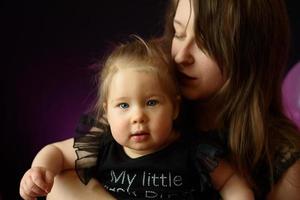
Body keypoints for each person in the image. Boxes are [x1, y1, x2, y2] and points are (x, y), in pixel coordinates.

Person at [23, 0, 300, 199]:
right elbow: (62, 176)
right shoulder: (139, 104)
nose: (181, 55)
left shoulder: (283, 160)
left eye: (206, 43)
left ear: (250, 55)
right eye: (179, 33)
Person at [19, 37, 254, 200]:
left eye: (152, 102)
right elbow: (57, 152)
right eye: (123, 105)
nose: (138, 116)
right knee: (61, 182)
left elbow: (230, 181)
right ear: (107, 113)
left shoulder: (192, 150)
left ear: (174, 108)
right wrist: (40, 171)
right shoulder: (103, 144)